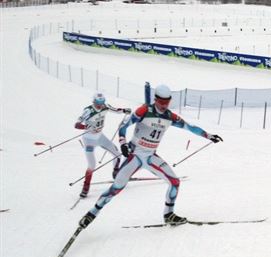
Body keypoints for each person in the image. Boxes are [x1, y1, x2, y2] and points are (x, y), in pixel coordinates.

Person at [78, 84, 223, 228]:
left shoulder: (169, 116)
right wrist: (123, 143)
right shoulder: (144, 111)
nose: (164, 105)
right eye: (161, 102)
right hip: (135, 156)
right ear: (155, 99)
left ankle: (169, 215)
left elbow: (190, 127)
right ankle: (90, 215)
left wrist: (209, 136)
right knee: (116, 188)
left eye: (167, 102)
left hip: (151, 156)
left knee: (175, 182)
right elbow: (123, 126)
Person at [75, 93, 131, 198]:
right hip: (89, 140)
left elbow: (115, 110)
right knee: (92, 165)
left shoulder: (105, 107)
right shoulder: (88, 111)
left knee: (117, 154)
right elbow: (77, 124)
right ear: (94, 102)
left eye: (102, 102)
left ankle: (115, 173)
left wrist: (124, 110)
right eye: (98, 103)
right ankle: (86, 187)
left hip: (100, 137)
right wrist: (86, 127)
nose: (100, 105)